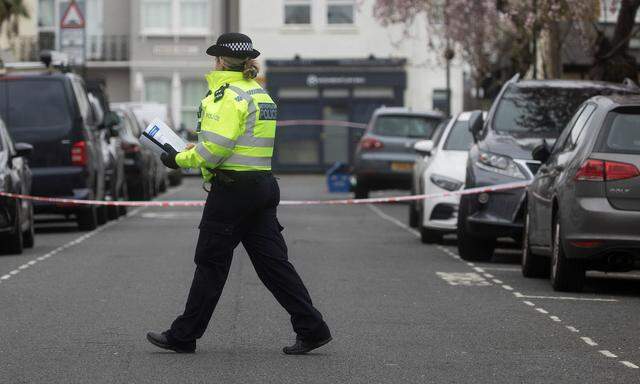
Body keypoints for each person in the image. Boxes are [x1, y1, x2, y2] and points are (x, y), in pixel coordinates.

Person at [146, 33, 331, 355]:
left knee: (210, 262)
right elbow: (240, 144)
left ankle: (184, 335)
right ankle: (312, 328)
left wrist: (178, 158)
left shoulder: (226, 96)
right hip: (261, 186)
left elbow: (215, 149)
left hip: (232, 192)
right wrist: (200, 152)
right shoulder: (258, 93)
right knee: (274, 264)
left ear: (218, 60)